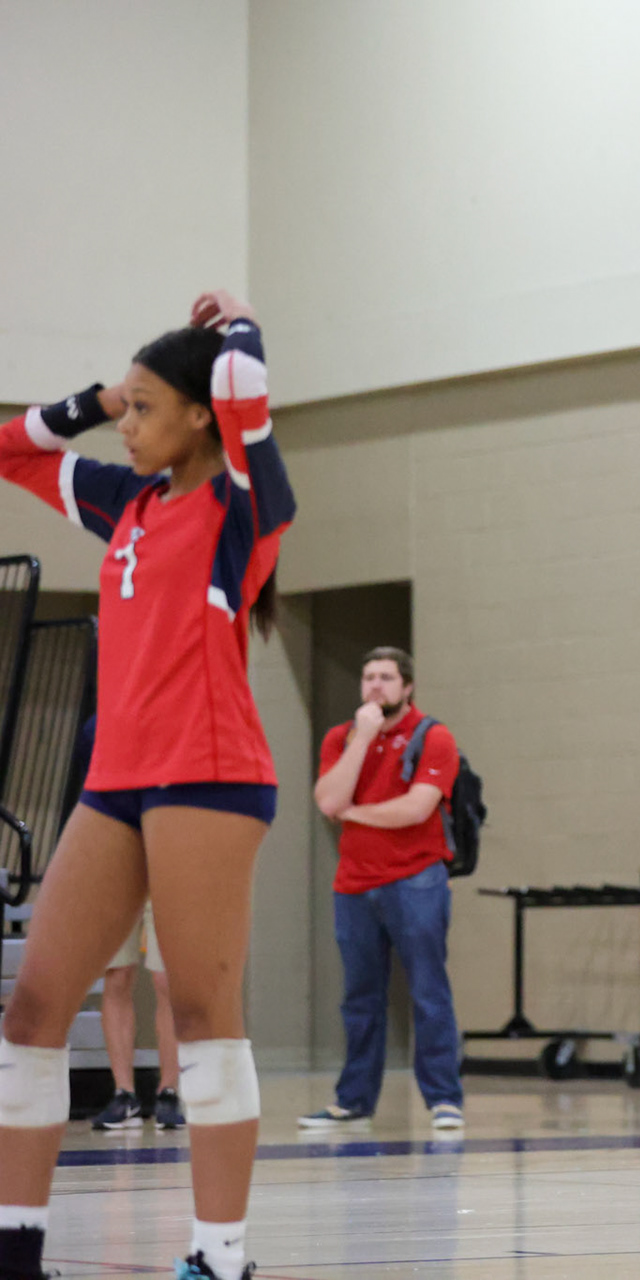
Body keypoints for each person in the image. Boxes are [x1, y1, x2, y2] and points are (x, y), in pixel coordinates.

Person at [0, 290, 294, 1280]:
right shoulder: (125, 499)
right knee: (33, 1011)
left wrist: (238, 327)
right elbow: (10, 448)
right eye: (123, 408)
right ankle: (16, 1246)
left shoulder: (244, 503)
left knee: (207, 1013)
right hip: (116, 779)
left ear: (202, 413)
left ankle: (220, 1257)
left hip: (210, 775)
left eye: (143, 407)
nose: (126, 424)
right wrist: (94, 394)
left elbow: (248, 388)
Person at [305, 647, 464, 1131]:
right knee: (359, 997)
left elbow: (415, 810)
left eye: (387, 677)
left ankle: (443, 1099)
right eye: (369, 676)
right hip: (354, 884)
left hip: (417, 878)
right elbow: (328, 798)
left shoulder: (433, 737)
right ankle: (353, 1100)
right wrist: (365, 735)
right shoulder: (342, 737)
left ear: (407, 686)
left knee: (428, 991)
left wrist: (351, 814)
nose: (376, 686)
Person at [88, 902, 184, 1132]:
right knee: (117, 976)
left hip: (164, 875)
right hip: (118, 875)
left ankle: (168, 1092)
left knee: (166, 980)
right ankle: (124, 1094)